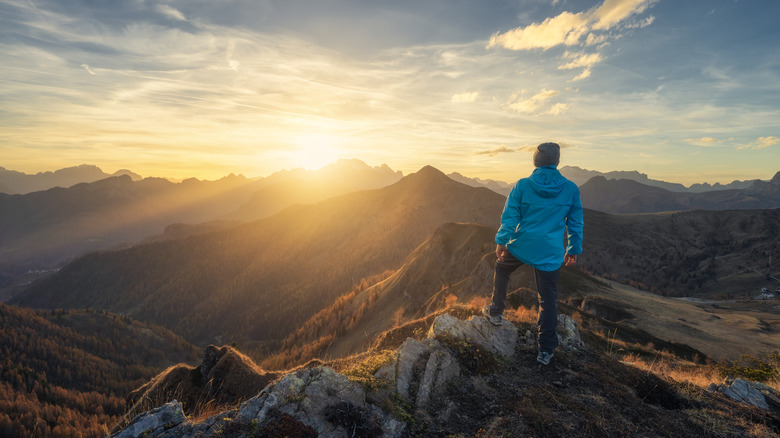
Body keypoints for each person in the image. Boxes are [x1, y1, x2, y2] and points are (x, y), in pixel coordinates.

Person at [483, 142, 583, 366]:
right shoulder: (570, 189)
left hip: (522, 245)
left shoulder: (522, 185)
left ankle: (496, 312)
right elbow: (575, 224)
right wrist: (573, 249)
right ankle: (546, 350)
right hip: (550, 252)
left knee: (502, 268)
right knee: (547, 300)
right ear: (556, 161)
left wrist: (502, 240)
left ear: (535, 161)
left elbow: (510, 217)